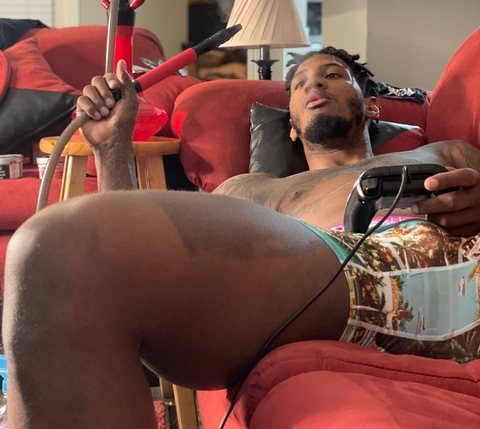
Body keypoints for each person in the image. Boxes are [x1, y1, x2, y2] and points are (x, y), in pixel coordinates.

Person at [3, 48, 480, 429]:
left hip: (461, 264)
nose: (314, 85)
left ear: (372, 106)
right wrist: (113, 147)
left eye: (332, 75)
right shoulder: (252, 190)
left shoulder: (444, 152)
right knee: (54, 251)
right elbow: (122, 251)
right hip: (341, 282)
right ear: (291, 127)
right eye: (299, 85)